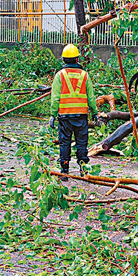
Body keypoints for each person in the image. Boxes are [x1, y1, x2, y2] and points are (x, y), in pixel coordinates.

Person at [49, 44, 99, 180]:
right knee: (82, 143)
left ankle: (64, 172)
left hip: (64, 117)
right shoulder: (84, 75)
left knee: (64, 143)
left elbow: (55, 97)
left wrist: (53, 115)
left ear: (64, 59)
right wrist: (95, 113)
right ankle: (84, 171)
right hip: (81, 117)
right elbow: (91, 97)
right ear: (77, 59)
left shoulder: (60, 75)